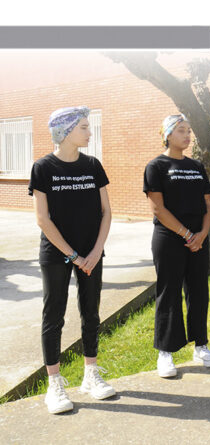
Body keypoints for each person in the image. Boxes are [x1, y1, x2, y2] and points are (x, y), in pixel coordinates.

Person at [30, 107, 115, 414]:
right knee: (54, 316)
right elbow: (43, 219)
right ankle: (54, 385)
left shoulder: (93, 165)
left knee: (91, 312)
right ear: (65, 131)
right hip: (57, 254)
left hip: (92, 253)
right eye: (84, 127)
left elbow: (106, 212)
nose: (89, 132)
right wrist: (74, 256)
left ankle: (91, 375)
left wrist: (95, 252)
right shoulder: (43, 167)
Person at [143, 114, 210, 378]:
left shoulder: (196, 166)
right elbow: (158, 208)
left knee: (199, 291)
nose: (187, 135)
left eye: (188, 131)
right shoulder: (156, 166)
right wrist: (188, 235)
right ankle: (166, 351)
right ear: (167, 135)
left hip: (198, 238)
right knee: (169, 293)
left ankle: (201, 346)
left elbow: (208, 204)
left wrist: (203, 234)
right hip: (169, 238)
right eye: (181, 131)